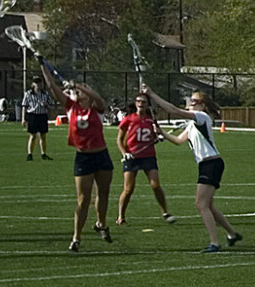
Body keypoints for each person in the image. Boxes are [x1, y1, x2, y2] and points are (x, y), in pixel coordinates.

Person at [141, 84, 241, 252]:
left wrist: (152, 94)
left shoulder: (201, 117)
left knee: (200, 205)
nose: (191, 103)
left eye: (195, 101)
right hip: (206, 164)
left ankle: (214, 243)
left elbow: (174, 110)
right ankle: (232, 234)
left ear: (202, 105)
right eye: (191, 101)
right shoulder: (191, 125)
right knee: (208, 206)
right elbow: (178, 140)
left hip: (211, 163)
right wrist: (161, 132)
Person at [39, 57, 113, 252]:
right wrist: (42, 64)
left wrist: (81, 87)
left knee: (103, 194)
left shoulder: (97, 110)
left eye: (81, 93)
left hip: (102, 156)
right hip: (84, 158)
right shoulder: (71, 108)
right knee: (83, 199)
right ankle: (76, 237)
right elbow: (52, 87)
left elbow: (99, 99)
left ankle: (101, 224)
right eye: (77, 93)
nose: (78, 95)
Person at [116, 93, 176, 226]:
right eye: (138, 101)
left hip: (148, 156)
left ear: (147, 104)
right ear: (135, 103)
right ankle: (121, 216)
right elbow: (119, 139)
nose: (140, 104)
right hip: (132, 156)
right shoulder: (128, 119)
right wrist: (124, 153)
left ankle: (165, 212)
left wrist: (158, 137)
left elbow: (157, 135)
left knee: (155, 185)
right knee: (128, 189)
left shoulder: (151, 120)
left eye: (143, 101)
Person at [22, 84, 53, 160]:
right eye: (36, 83)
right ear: (33, 84)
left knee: (43, 136)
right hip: (33, 115)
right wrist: (23, 118)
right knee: (33, 136)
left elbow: (50, 104)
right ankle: (30, 154)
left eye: (39, 82)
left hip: (42, 115)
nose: (38, 85)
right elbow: (24, 106)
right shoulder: (28, 93)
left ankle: (44, 154)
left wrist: (46, 104)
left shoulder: (45, 94)